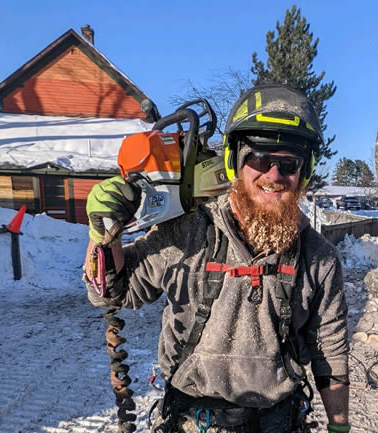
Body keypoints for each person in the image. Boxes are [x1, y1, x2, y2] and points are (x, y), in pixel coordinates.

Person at [84, 84, 350, 433]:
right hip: (191, 421)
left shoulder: (319, 259)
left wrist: (339, 427)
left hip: (278, 422)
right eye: (259, 158)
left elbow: (330, 352)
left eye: (288, 164)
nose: (273, 175)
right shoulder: (187, 232)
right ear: (234, 161)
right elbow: (109, 292)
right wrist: (102, 231)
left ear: (304, 172)